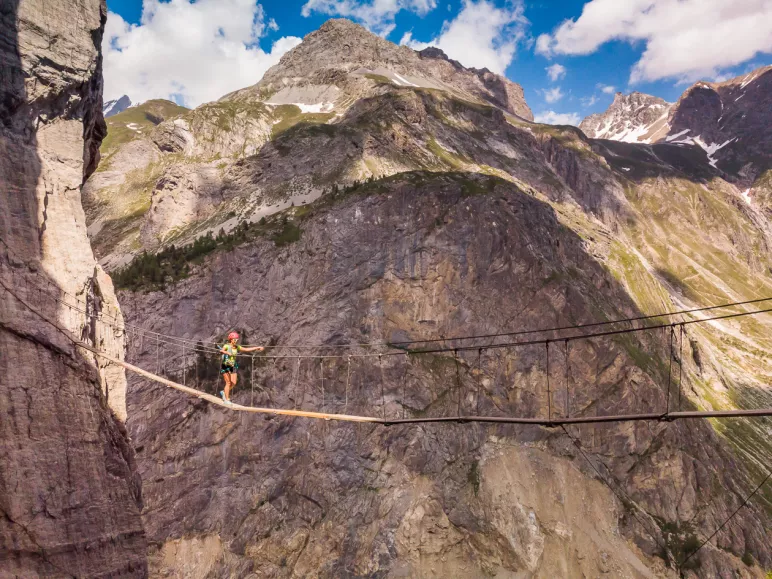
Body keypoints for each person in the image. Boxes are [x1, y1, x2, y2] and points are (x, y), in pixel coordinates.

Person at [218, 331, 264, 404]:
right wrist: (227, 352)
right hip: (226, 365)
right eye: (234, 339)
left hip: (233, 365)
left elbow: (246, 349)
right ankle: (226, 399)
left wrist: (256, 348)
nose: (236, 341)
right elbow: (221, 351)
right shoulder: (226, 346)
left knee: (234, 383)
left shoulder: (237, 347)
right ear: (231, 339)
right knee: (228, 382)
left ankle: (224, 392)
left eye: (236, 339)